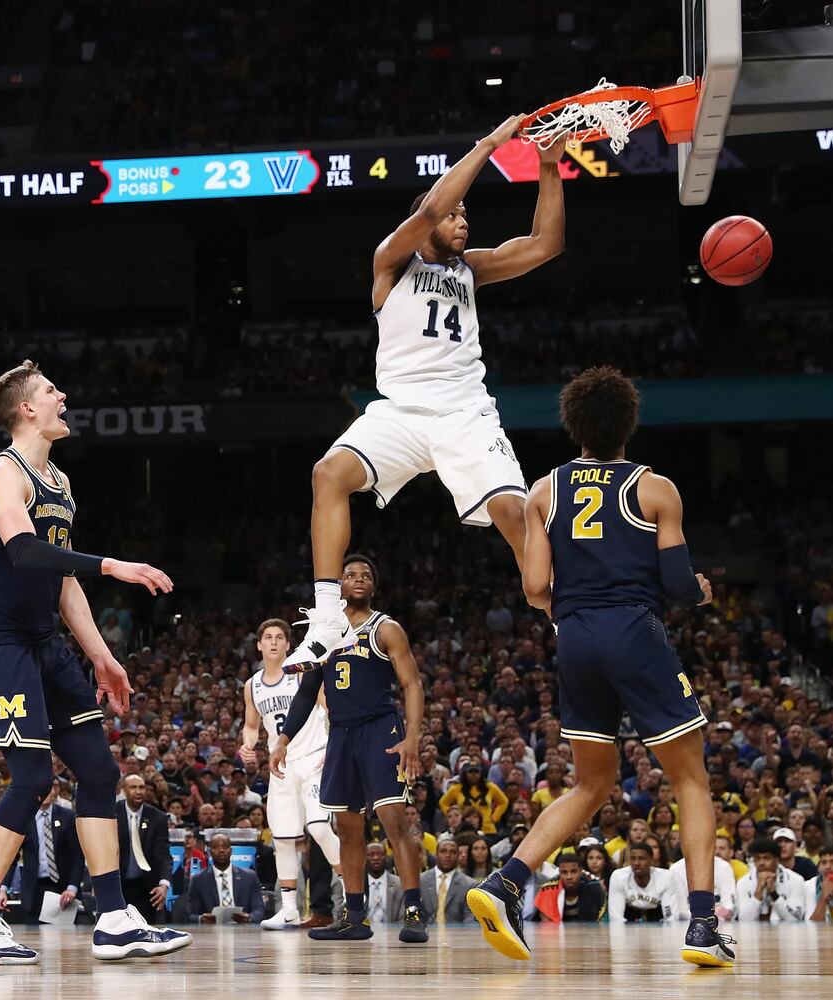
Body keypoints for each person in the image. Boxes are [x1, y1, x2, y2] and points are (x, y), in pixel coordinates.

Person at [467, 367, 732, 967]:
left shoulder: (544, 491)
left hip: (577, 637)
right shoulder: (656, 488)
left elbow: (536, 587)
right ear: (627, 427)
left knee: (590, 783)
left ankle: (506, 880)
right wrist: (701, 591)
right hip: (634, 630)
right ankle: (702, 926)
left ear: (574, 427)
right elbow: (675, 584)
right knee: (691, 780)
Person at [284, 118, 568, 671]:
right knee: (328, 473)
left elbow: (546, 244)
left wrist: (550, 166)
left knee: (515, 512)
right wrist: (488, 145)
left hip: (464, 412)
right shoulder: (391, 261)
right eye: (457, 216)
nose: (463, 224)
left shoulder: (472, 270)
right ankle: (326, 619)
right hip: (400, 412)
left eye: (467, 217)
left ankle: (561, 606)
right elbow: (431, 212)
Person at [0, 361, 190, 966]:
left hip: (46, 642)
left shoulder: (59, 480)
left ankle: (112, 918)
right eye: (53, 392)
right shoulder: (4, 474)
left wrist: (103, 659)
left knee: (100, 774)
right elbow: (26, 553)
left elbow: (60, 583)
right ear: (27, 409)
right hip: (0, 643)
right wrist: (112, 565)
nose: (64, 397)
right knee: (32, 780)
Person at [271, 555, 427, 943]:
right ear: (336, 586)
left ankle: (413, 911)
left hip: (380, 730)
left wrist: (412, 737)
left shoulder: (386, 628)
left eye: (367, 575)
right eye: (351, 574)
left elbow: (412, 685)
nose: (359, 579)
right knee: (347, 828)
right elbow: (307, 692)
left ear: (374, 586)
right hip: (340, 733)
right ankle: (354, 915)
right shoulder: (323, 635)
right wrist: (284, 739)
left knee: (395, 823)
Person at [240, 618, 341, 930]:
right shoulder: (252, 685)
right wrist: (247, 746)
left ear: (287, 644)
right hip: (280, 765)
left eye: (279, 637)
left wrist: (333, 747)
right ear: (258, 645)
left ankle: (354, 895)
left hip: (313, 758)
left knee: (320, 828)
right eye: (267, 637)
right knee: (283, 839)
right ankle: (288, 910)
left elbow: (331, 709)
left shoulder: (302, 674)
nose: (272, 642)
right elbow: (252, 725)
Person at [2, 786, 83, 926]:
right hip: (34, 889)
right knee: (34, 936)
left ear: (54, 791)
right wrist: (3, 888)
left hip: (62, 889)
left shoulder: (68, 816)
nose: (45, 793)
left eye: (48, 789)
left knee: (65, 941)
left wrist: (72, 887)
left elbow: (78, 856)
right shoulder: (23, 818)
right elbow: (11, 857)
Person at [116, 775, 172, 922]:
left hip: (146, 886)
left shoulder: (157, 817)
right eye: (133, 787)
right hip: (118, 884)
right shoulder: (112, 813)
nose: (138, 791)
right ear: (124, 790)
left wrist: (164, 884)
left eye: (141, 787)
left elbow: (163, 854)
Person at [186, 832, 265, 924]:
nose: (221, 850)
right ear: (209, 852)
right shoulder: (198, 880)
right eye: (216, 847)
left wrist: (249, 917)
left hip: (243, 931)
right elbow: (191, 915)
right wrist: (201, 919)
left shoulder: (250, 877)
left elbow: (259, 911)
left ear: (231, 850)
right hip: (211, 933)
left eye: (225, 847)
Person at [736, 837, 808, 923]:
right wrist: (758, 891)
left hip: (786, 933)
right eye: (757, 858)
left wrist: (773, 893)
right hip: (753, 933)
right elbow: (744, 920)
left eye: (766, 858)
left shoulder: (795, 880)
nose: (761, 863)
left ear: (777, 860)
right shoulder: (743, 883)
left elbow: (795, 918)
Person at [667, 841, 739, 922]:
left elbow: (729, 907)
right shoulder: (675, 869)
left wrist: (715, 917)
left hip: (721, 923)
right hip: (688, 924)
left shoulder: (724, 867)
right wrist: (706, 918)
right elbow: (681, 911)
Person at [533, 851, 606, 923]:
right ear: (559, 872)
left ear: (581, 871)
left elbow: (600, 920)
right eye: (564, 872)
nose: (569, 877)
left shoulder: (594, 888)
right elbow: (546, 925)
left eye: (573, 871)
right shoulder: (548, 889)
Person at [609, 844, 673, 922]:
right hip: (628, 927)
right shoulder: (618, 876)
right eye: (633, 858)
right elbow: (616, 917)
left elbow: (670, 917)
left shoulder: (665, 877)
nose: (636, 863)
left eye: (642, 858)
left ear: (651, 860)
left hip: (659, 926)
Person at [420, 836, 474, 924]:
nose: (448, 855)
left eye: (453, 852)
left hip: (457, 935)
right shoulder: (420, 881)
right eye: (443, 851)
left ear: (458, 856)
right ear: (436, 854)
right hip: (425, 935)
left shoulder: (469, 885)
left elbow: (470, 919)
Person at [364, 842, 404, 926]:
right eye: (371, 854)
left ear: (387, 857)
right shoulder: (357, 885)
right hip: (362, 934)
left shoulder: (399, 884)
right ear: (364, 858)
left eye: (380, 854)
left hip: (391, 934)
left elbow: (402, 919)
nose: (376, 858)